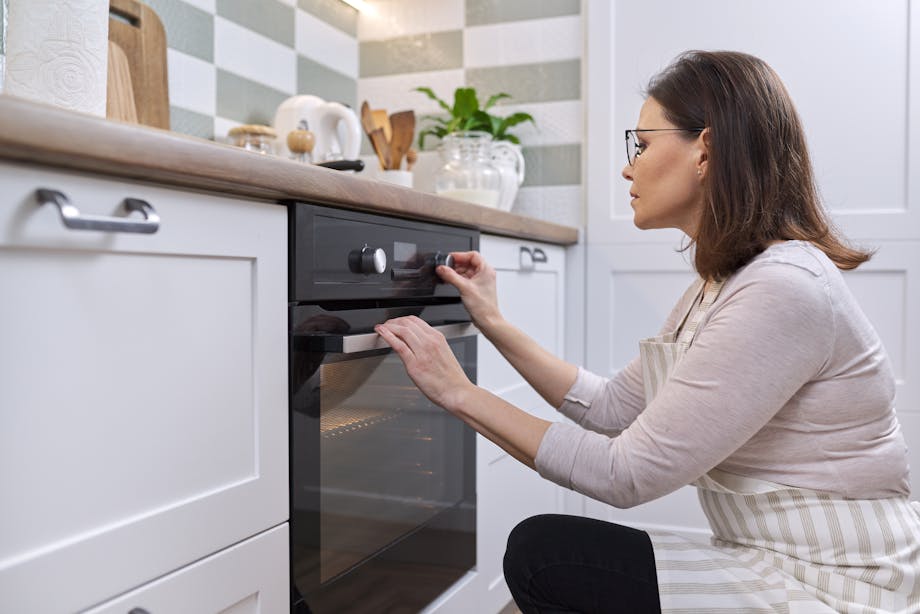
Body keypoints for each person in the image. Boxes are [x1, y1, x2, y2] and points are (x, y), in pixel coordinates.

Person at [374, 50, 920, 613]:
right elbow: (611, 407)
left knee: (542, 554)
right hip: (766, 557)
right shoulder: (724, 285)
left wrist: (458, 391)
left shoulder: (784, 288)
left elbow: (624, 473)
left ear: (703, 150)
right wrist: (492, 322)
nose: (628, 166)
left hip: (836, 583)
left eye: (642, 143)